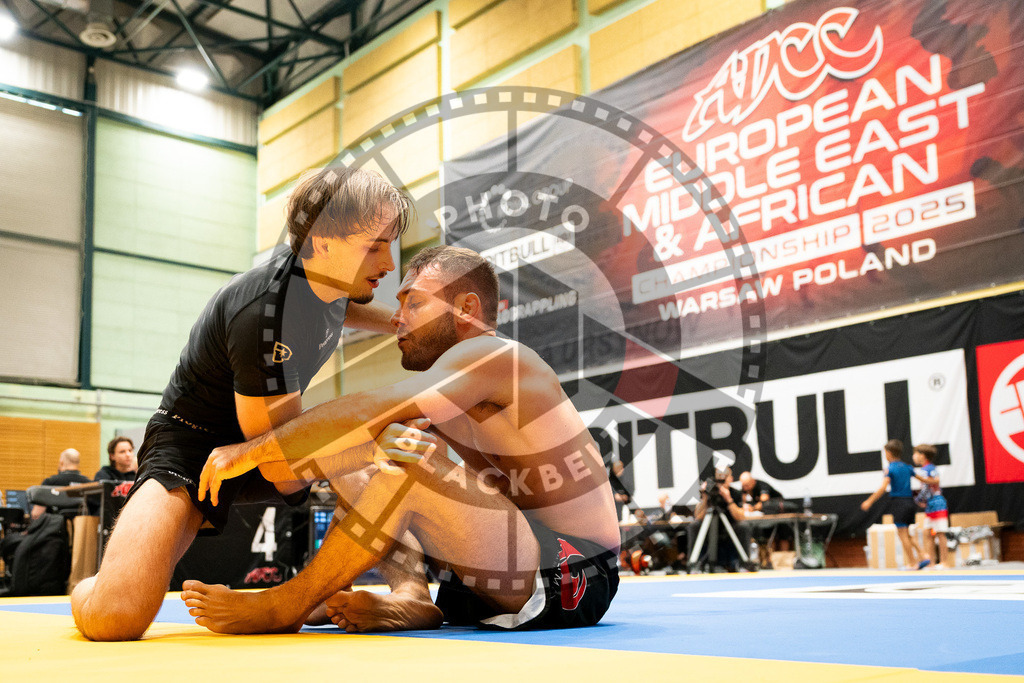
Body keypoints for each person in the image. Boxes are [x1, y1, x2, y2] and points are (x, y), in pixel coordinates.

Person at [180, 245, 621, 634]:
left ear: (466, 308)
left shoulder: (495, 356)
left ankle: (286, 603)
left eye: (413, 304)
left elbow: (363, 410)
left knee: (405, 459)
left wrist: (248, 452)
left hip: (571, 569)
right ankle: (411, 596)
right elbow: (362, 456)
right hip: (488, 569)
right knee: (374, 456)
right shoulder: (450, 383)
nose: (396, 319)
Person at [70, 167, 415, 641]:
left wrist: (400, 324)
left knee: (388, 471)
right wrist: (363, 447)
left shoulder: (328, 278)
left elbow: (342, 308)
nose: (389, 264)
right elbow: (279, 463)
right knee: (114, 620)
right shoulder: (264, 317)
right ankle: (93, 585)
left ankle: (409, 594)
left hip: (262, 439)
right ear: (323, 242)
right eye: (374, 246)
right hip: (192, 447)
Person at [861, 439, 927, 570]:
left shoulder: (890, 468)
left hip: (899, 502)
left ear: (889, 453)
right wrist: (934, 480)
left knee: (902, 535)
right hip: (910, 502)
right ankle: (924, 555)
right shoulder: (907, 467)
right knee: (907, 534)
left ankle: (913, 563)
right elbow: (923, 479)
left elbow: (883, 488)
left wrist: (869, 500)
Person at [686, 466, 751, 571]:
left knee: (743, 526)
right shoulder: (710, 493)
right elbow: (698, 516)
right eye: (719, 478)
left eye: (725, 478)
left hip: (730, 528)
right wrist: (705, 497)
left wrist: (728, 499)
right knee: (694, 525)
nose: (721, 482)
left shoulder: (736, 493)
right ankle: (694, 564)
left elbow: (741, 517)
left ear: (731, 479)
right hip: (709, 528)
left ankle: (744, 564)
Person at [913, 444, 950, 569]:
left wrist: (920, 478)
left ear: (922, 455)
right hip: (929, 505)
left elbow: (936, 480)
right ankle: (931, 562)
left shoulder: (930, 468)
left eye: (916, 454)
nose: (914, 456)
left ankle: (944, 562)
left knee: (940, 533)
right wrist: (920, 499)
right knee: (928, 533)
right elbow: (925, 489)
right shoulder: (923, 470)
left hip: (938, 503)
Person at [31, 448, 92, 519]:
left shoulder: (50, 482)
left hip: (54, 528)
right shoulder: (89, 484)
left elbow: (36, 513)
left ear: (62, 462)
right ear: (78, 464)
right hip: (81, 527)